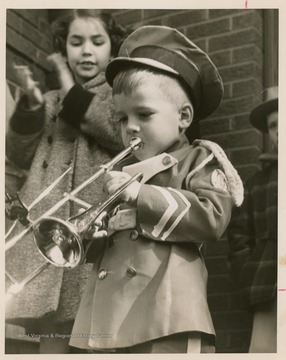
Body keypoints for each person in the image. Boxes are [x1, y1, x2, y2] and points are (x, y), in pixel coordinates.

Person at [69, 25, 244, 354]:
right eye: (121, 118)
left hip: (167, 310)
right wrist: (96, 231)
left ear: (184, 116)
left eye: (143, 114)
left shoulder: (200, 158)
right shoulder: (123, 171)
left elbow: (213, 216)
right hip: (110, 316)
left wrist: (141, 197)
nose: (130, 127)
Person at [5, 10, 129, 354]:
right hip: (45, 233)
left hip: (90, 233)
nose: (86, 51)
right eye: (76, 42)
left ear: (112, 47)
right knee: (46, 333)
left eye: (96, 42)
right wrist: (30, 107)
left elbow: (113, 131)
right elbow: (17, 153)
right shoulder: (51, 100)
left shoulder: (120, 97)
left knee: (88, 328)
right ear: (64, 48)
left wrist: (67, 85)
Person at [228, 86, 278, 353]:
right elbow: (238, 236)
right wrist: (248, 271)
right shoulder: (257, 184)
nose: (280, 130)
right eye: (273, 125)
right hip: (270, 284)